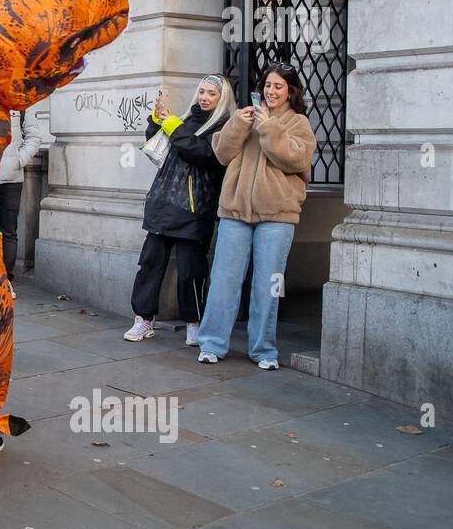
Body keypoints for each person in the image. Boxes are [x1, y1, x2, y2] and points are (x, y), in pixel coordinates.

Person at [197, 63, 316, 369]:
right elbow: (221, 153)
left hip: (277, 214)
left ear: (290, 91)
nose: (271, 91)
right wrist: (238, 124)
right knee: (224, 279)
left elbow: (296, 160)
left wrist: (268, 128)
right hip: (236, 210)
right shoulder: (245, 117)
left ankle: (263, 350)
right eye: (267, 85)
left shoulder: (298, 122)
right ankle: (211, 343)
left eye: (278, 86)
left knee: (267, 284)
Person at [124, 75, 235, 345]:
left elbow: (203, 153)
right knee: (150, 264)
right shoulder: (185, 119)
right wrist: (157, 120)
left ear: (222, 99)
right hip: (164, 202)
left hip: (196, 208)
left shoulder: (225, 126)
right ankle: (143, 319)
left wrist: (173, 126)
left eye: (212, 94)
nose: (204, 98)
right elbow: (157, 145)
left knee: (191, 270)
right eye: (202, 92)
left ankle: (194, 323)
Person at [0, 104, 45, 299]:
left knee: (9, 232)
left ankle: (5, 280)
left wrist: (18, 160)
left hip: (12, 179)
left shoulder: (21, 102)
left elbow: (34, 137)